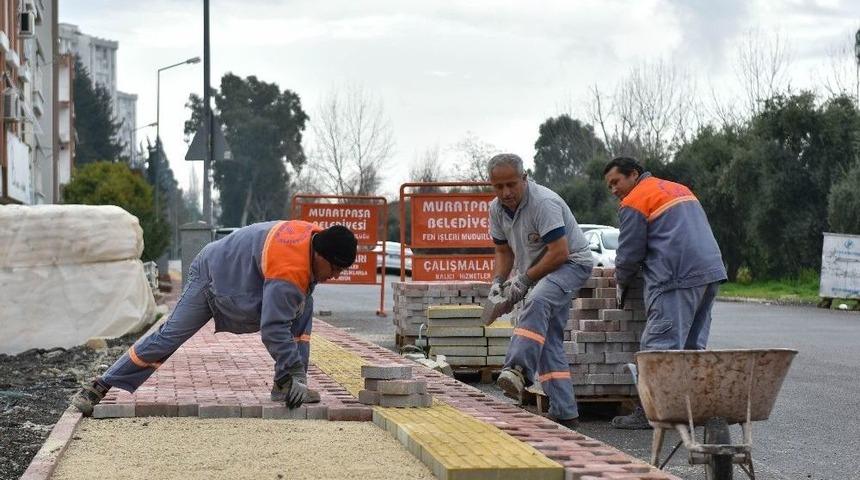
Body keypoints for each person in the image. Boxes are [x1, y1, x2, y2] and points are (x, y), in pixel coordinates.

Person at [71, 221, 357, 415]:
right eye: (335, 268)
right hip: (210, 276)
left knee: (303, 310)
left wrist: (297, 378)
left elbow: (296, 330)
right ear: (320, 254)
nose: (335, 275)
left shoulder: (315, 238)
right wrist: (295, 368)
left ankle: (286, 385)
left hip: (241, 280)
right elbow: (273, 329)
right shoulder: (290, 270)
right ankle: (101, 385)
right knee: (169, 336)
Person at [603, 157, 726, 429]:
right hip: (709, 272)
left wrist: (621, 282)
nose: (613, 190)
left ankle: (651, 412)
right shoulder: (680, 189)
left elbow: (629, 253)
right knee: (692, 347)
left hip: (675, 276)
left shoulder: (635, 200)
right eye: (609, 186)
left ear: (633, 174)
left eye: (616, 182)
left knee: (660, 347)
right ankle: (692, 410)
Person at [487, 153, 594, 429]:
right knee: (547, 341)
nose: (506, 193)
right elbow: (503, 251)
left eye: (511, 184)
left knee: (536, 301)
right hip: (540, 269)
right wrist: (498, 281)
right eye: (498, 187)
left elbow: (559, 252)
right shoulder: (496, 209)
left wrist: (523, 282)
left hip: (570, 264)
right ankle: (565, 411)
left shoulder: (543, 203)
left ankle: (518, 370)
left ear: (524, 178)